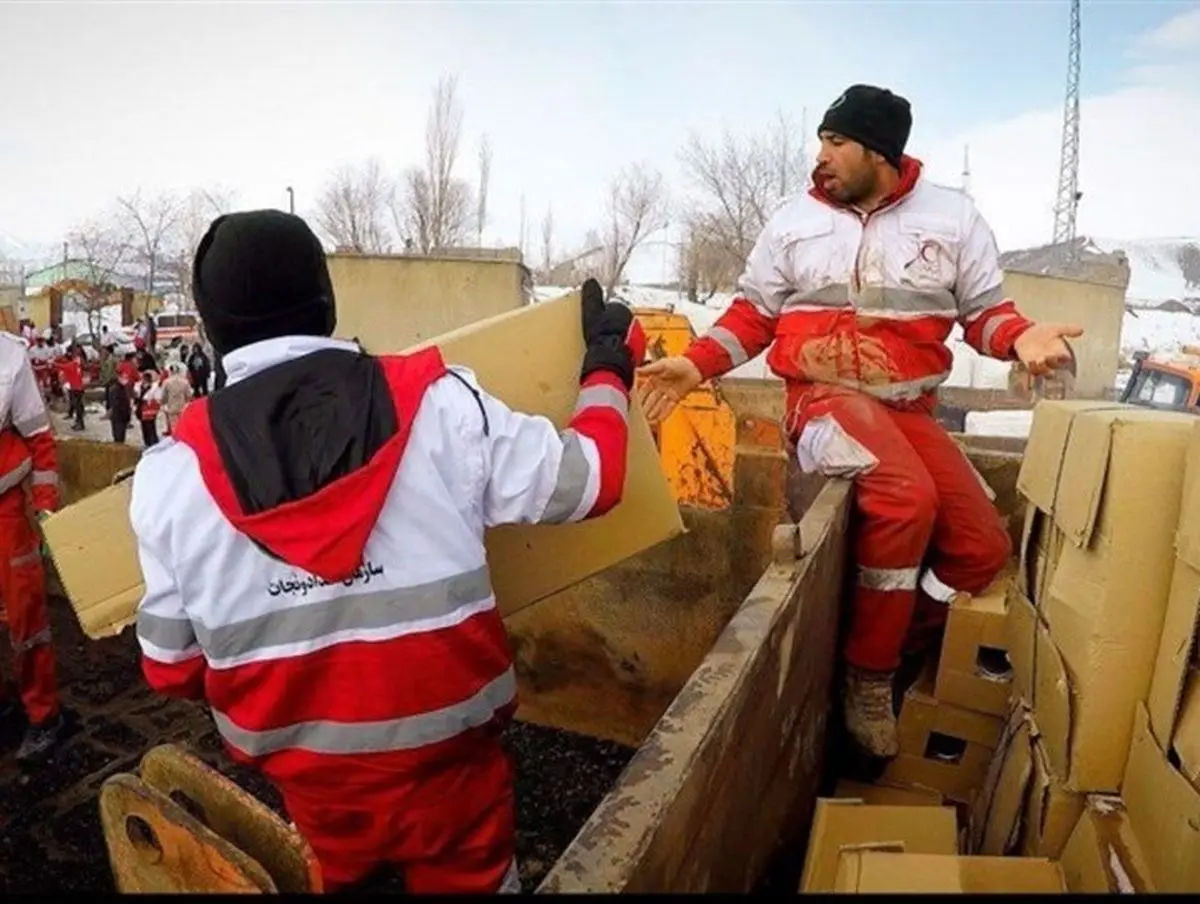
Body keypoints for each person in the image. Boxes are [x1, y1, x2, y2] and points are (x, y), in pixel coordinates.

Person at [129, 210, 646, 893]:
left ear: (212, 328)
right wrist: (606, 365)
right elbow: (592, 482)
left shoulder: (170, 475)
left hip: (316, 796)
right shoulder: (441, 404)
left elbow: (169, 666)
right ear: (327, 302)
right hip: (455, 785)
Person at [638, 84, 1083, 759]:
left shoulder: (952, 219)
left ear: (879, 151)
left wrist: (1018, 339)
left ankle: (897, 639)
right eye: (821, 140)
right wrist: (696, 364)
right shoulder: (793, 220)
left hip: (906, 409)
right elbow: (753, 314)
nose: (821, 156)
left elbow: (985, 312)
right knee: (906, 499)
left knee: (980, 551)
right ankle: (868, 680)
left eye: (836, 142)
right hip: (822, 396)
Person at [0, 332, 65, 762]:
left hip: (6, 513)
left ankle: (44, 716)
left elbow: (40, 439)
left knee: (25, 617)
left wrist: (44, 509)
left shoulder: (9, 357)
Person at [159, 362, 192, 436]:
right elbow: (189, 395)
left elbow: (163, 396)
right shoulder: (185, 381)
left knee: (174, 426)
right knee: (183, 425)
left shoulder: (166, 382)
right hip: (182, 406)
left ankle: (176, 439)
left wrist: (163, 404)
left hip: (171, 406)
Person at [133, 371, 162, 448]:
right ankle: (147, 442)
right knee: (144, 427)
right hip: (141, 409)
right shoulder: (139, 387)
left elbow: (158, 399)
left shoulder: (154, 388)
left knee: (150, 427)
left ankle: (153, 443)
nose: (144, 382)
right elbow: (137, 397)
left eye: (145, 380)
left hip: (149, 411)